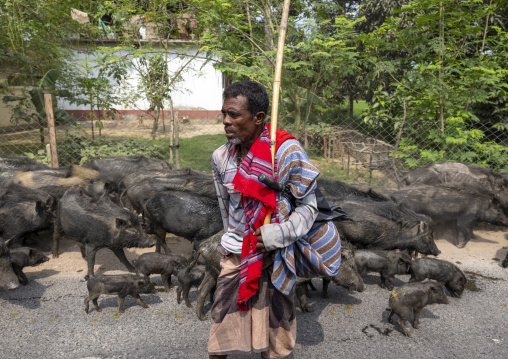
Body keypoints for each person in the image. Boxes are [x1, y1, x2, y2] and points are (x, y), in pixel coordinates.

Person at [208, 81, 341, 359]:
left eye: (234, 115)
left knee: (276, 337)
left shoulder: (283, 152)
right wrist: (233, 242)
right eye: (223, 114)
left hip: (278, 255)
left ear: (258, 118)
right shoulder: (221, 158)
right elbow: (226, 210)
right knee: (221, 330)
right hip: (236, 253)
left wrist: (277, 235)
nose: (226, 121)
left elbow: (309, 206)